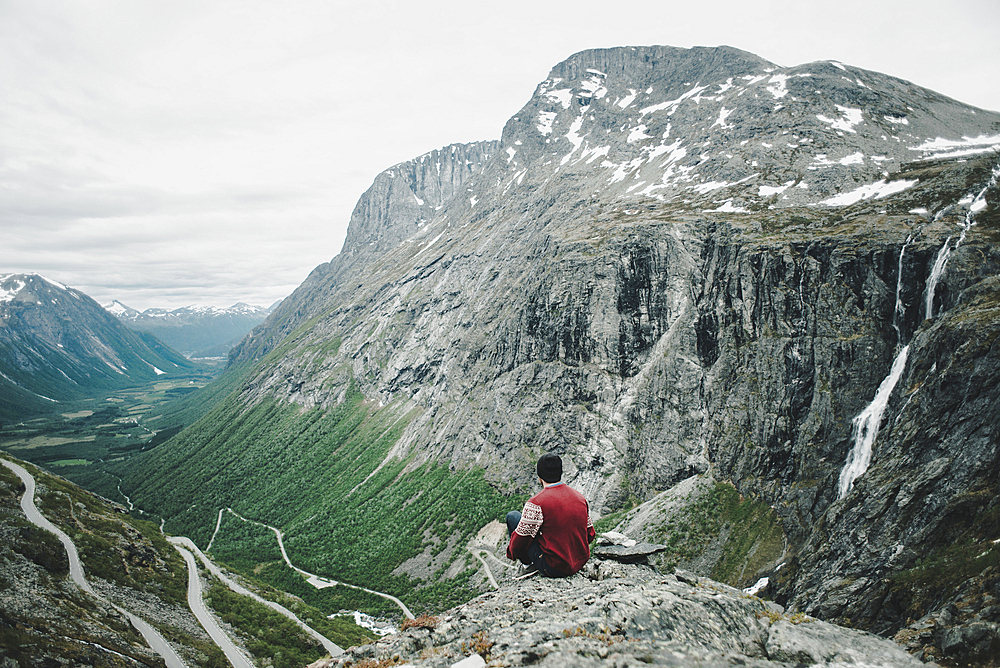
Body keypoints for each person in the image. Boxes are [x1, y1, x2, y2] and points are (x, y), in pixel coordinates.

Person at [506, 453, 596, 577]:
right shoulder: (579, 498)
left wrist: (511, 552)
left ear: (540, 476)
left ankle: (527, 566)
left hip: (554, 567)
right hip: (579, 562)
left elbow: (520, 542)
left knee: (513, 517)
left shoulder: (536, 503)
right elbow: (590, 534)